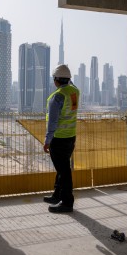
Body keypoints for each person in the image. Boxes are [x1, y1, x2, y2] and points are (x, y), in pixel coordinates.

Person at [43, 64, 80, 213]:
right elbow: (71, 84)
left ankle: (67, 202)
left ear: (56, 80)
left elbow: (52, 122)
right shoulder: (75, 92)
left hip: (58, 139)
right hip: (70, 137)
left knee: (63, 171)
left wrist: (47, 141)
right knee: (62, 169)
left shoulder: (57, 96)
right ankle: (57, 195)